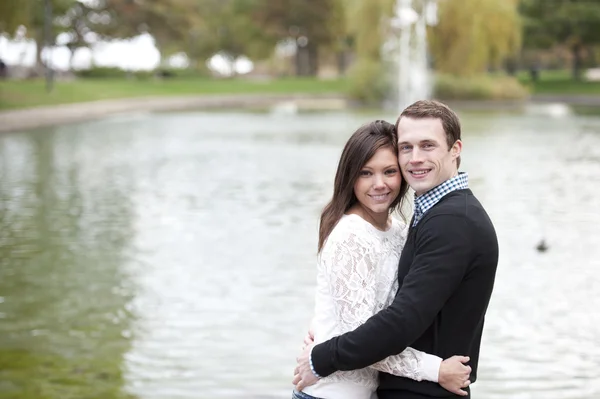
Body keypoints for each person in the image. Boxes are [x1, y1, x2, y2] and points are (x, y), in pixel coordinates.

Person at [293, 101, 499, 399]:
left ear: (455, 149)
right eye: (406, 148)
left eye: (427, 145)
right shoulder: (363, 231)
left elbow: (399, 321)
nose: (415, 158)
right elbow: (367, 320)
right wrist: (323, 337)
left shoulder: (442, 221)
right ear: (350, 177)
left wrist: (322, 355)